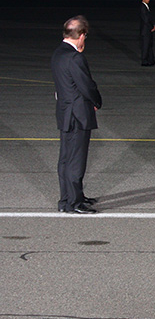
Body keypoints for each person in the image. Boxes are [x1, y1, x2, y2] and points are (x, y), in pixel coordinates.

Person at [51, 15, 103, 214]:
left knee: (66, 158)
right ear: (81, 35)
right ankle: (73, 203)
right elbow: (87, 86)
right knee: (76, 160)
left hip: (65, 113)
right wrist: (97, 101)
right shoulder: (75, 57)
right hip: (77, 114)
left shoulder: (58, 53)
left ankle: (69, 197)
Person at [139, 0, 155, 66]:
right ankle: (144, 61)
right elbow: (146, 19)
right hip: (145, 30)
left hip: (148, 30)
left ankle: (151, 60)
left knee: (150, 46)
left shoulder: (146, 7)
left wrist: (153, 25)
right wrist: (151, 27)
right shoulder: (143, 7)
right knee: (145, 46)